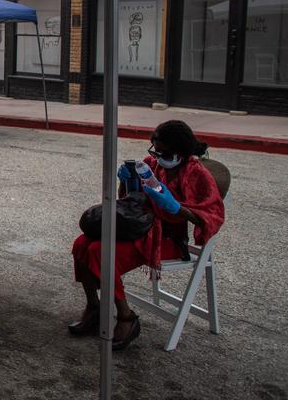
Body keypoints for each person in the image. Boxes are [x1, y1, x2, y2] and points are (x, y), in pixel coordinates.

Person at [68, 120, 225, 351]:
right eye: (155, 150)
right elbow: (131, 199)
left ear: (180, 151)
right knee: (82, 243)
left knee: (100, 252)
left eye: (163, 152)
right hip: (139, 227)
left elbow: (213, 214)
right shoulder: (151, 165)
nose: (157, 155)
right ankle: (95, 307)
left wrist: (176, 208)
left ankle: (126, 317)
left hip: (169, 240)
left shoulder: (197, 174)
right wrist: (127, 180)